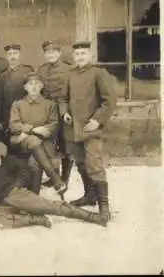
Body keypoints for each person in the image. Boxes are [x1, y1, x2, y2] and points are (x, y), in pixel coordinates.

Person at [0, 130, 107, 229]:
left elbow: (24, 170)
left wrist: (17, 185)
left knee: (53, 207)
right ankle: (36, 219)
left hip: (14, 195)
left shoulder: (4, 159)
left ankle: (93, 217)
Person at [59, 41, 117, 224]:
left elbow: (109, 101)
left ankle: (104, 207)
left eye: (83, 54)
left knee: (95, 165)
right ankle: (89, 195)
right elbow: (63, 98)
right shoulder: (70, 74)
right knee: (81, 162)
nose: (80, 57)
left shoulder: (99, 74)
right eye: (77, 54)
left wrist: (97, 120)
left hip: (91, 128)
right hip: (73, 128)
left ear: (90, 55)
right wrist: (64, 112)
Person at [8, 72, 66, 195]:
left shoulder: (50, 105)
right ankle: (54, 177)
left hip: (46, 142)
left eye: (37, 84)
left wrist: (31, 131)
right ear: (25, 87)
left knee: (34, 162)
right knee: (33, 140)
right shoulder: (18, 104)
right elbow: (13, 126)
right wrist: (34, 129)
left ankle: (34, 198)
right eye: (30, 84)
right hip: (23, 142)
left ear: (41, 86)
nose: (34, 87)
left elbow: (53, 125)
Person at [35, 40, 72, 186]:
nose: (51, 55)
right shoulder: (41, 69)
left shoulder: (68, 69)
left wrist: (67, 111)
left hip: (64, 111)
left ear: (59, 53)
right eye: (48, 52)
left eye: (54, 52)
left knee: (65, 145)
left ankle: (65, 177)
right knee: (50, 144)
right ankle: (54, 177)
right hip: (48, 112)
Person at [0, 43, 34, 147]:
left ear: (20, 54)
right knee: (11, 142)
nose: (13, 56)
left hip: (25, 113)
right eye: (10, 54)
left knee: (26, 140)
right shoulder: (3, 75)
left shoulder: (28, 71)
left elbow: (33, 92)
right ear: (7, 56)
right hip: (8, 115)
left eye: (15, 53)